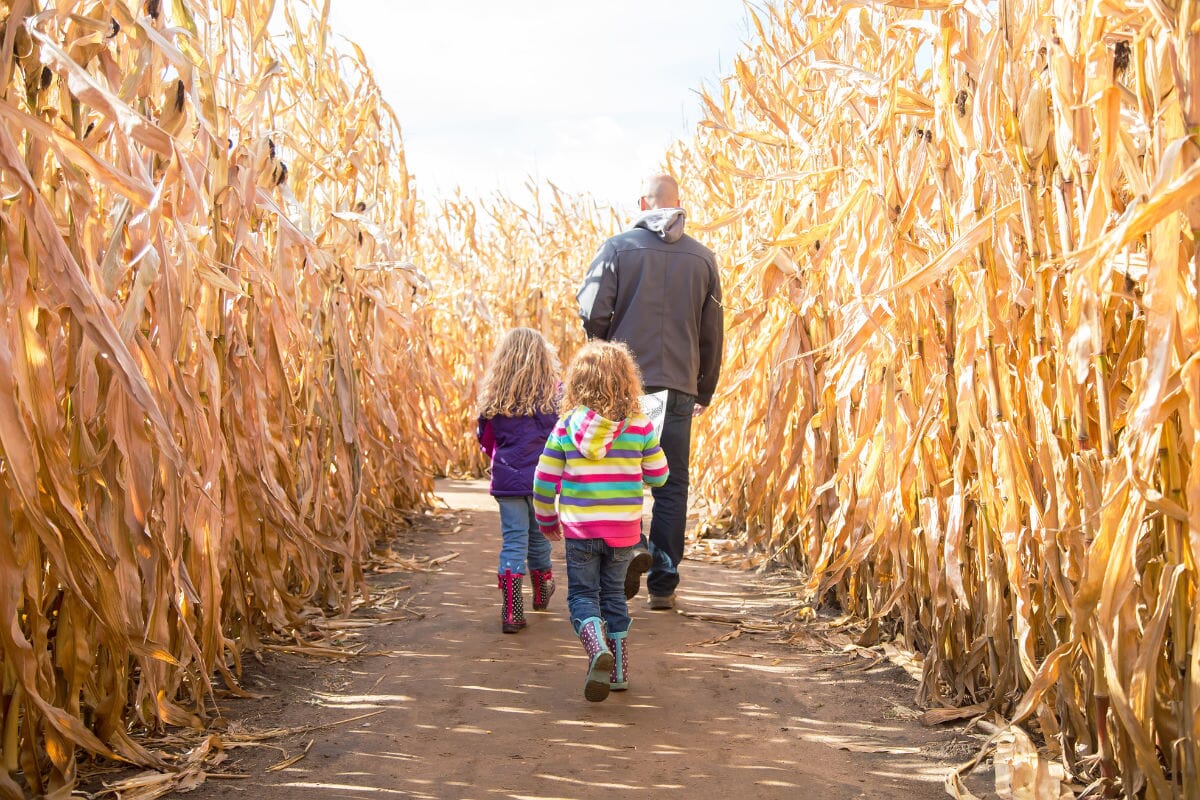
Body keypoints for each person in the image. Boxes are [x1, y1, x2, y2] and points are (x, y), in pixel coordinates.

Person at [576, 173, 723, 611]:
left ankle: (631, 550)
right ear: (679, 204)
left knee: (622, 473)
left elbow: (592, 311)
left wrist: (603, 358)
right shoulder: (703, 258)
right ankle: (663, 582)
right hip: (679, 385)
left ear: (642, 202)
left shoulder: (618, 248)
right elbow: (712, 331)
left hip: (625, 387)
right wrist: (704, 388)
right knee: (671, 483)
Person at [532, 341, 668, 702]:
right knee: (614, 598)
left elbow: (543, 480)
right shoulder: (640, 427)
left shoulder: (565, 427)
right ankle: (620, 672)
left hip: (580, 530)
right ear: (627, 381)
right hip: (623, 532)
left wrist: (546, 520)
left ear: (577, 382)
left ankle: (596, 651)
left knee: (581, 597)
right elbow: (659, 476)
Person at [476, 328, 562, 634]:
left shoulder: (494, 395)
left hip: (507, 481)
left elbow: (485, 439)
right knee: (539, 538)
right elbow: (563, 436)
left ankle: (512, 610)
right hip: (544, 481)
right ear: (543, 358)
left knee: (513, 540)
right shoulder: (556, 394)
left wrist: (498, 457)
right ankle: (542, 591)